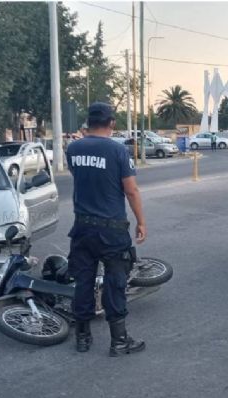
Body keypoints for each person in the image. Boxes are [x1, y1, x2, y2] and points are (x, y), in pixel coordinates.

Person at [66, 102, 148, 355]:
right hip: (111, 230)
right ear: (112, 122)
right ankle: (119, 341)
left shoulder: (73, 148)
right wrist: (141, 221)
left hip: (82, 227)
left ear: (89, 122)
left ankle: (82, 338)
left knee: (83, 281)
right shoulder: (117, 150)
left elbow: (79, 177)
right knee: (115, 283)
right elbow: (131, 190)